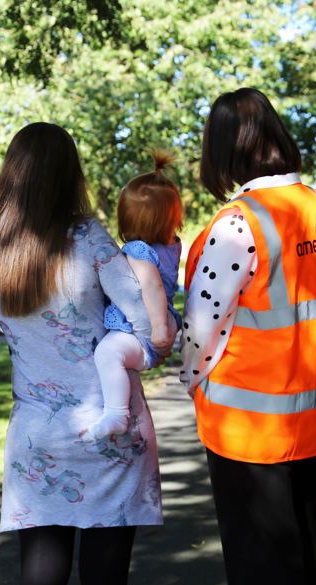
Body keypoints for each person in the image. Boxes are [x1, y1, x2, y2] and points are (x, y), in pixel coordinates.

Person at [0, 123, 165, 585]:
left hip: (38, 435)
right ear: (69, 176)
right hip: (109, 430)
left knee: (39, 580)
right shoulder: (89, 238)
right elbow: (145, 326)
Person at [179, 88, 316, 585]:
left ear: (224, 148)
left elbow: (201, 329)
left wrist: (188, 381)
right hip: (314, 415)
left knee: (261, 569)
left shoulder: (239, 223)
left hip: (248, 426)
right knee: (306, 543)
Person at [88, 149, 183, 439]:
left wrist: (157, 330)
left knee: (107, 353)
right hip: (165, 321)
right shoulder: (173, 246)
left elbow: (152, 286)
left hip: (142, 331)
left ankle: (117, 414)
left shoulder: (137, 251)